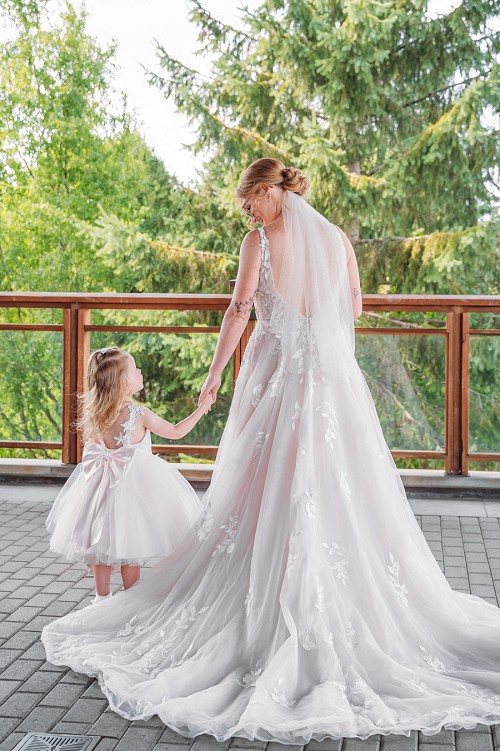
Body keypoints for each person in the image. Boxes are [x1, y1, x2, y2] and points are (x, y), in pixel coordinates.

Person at [42, 160, 500, 743]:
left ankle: (271, 601)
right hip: (331, 383)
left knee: (268, 482)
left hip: (277, 374)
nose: (245, 211)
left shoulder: (258, 242)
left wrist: (214, 379)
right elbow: (353, 308)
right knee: (334, 484)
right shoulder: (336, 240)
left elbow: (238, 311)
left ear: (267, 192)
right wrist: (313, 329)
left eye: (248, 200)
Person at [45, 346, 214, 603]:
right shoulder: (139, 414)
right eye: (134, 369)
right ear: (124, 383)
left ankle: (101, 600)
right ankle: (129, 603)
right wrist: (203, 408)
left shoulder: (96, 413)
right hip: (133, 491)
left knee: (100, 547)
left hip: (100, 490)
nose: (140, 371)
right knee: (130, 546)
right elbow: (177, 432)